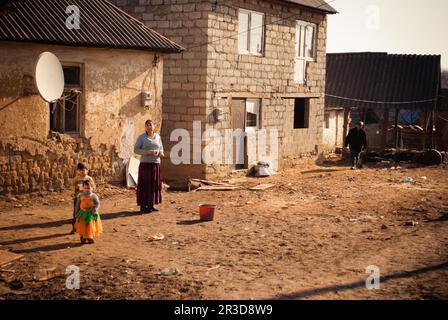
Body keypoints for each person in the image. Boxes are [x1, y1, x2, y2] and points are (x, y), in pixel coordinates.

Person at [134, 120, 165, 213]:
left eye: (150, 125)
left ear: (153, 127)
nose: (149, 127)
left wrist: (160, 153)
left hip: (155, 165)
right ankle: (143, 207)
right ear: (145, 127)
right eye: (147, 125)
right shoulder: (141, 137)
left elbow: (161, 148)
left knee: (154, 185)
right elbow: (136, 149)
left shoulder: (158, 137)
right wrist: (147, 152)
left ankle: (151, 205)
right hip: (145, 164)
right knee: (144, 185)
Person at [74, 180, 102, 244]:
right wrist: (76, 213)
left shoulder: (94, 196)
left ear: (92, 187)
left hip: (91, 213)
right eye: (85, 188)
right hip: (82, 213)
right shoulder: (80, 196)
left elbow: (97, 204)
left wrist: (95, 209)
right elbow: (77, 205)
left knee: (90, 225)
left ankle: (90, 237)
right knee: (82, 225)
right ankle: (83, 237)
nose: (87, 189)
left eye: (88, 188)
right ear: (83, 188)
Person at [71, 162, 96, 234]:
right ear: (77, 171)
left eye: (83, 170)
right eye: (80, 170)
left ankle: (88, 228)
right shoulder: (77, 178)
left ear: (87, 170)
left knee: (87, 213)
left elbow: (93, 187)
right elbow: (72, 185)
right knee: (76, 213)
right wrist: (75, 186)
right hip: (78, 198)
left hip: (87, 199)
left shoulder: (89, 178)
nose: (82, 172)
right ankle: (74, 227)